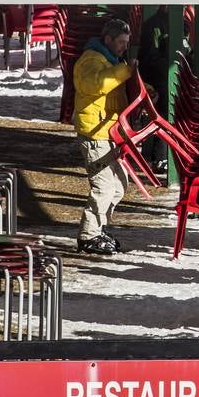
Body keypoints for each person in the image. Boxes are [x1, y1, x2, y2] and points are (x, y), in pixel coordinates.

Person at [72, 18, 137, 255]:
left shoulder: (111, 60)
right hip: (94, 132)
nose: (123, 46)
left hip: (108, 131)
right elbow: (97, 85)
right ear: (107, 39)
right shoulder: (90, 60)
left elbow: (118, 89)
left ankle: (98, 228)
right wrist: (125, 70)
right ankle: (88, 236)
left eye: (126, 43)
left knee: (119, 185)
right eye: (120, 42)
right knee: (103, 187)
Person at [136, 6, 171, 173]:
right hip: (157, 80)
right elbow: (151, 58)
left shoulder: (172, 23)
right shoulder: (155, 26)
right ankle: (160, 158)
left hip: (158, 77)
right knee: (165, 112)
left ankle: (157, 156)